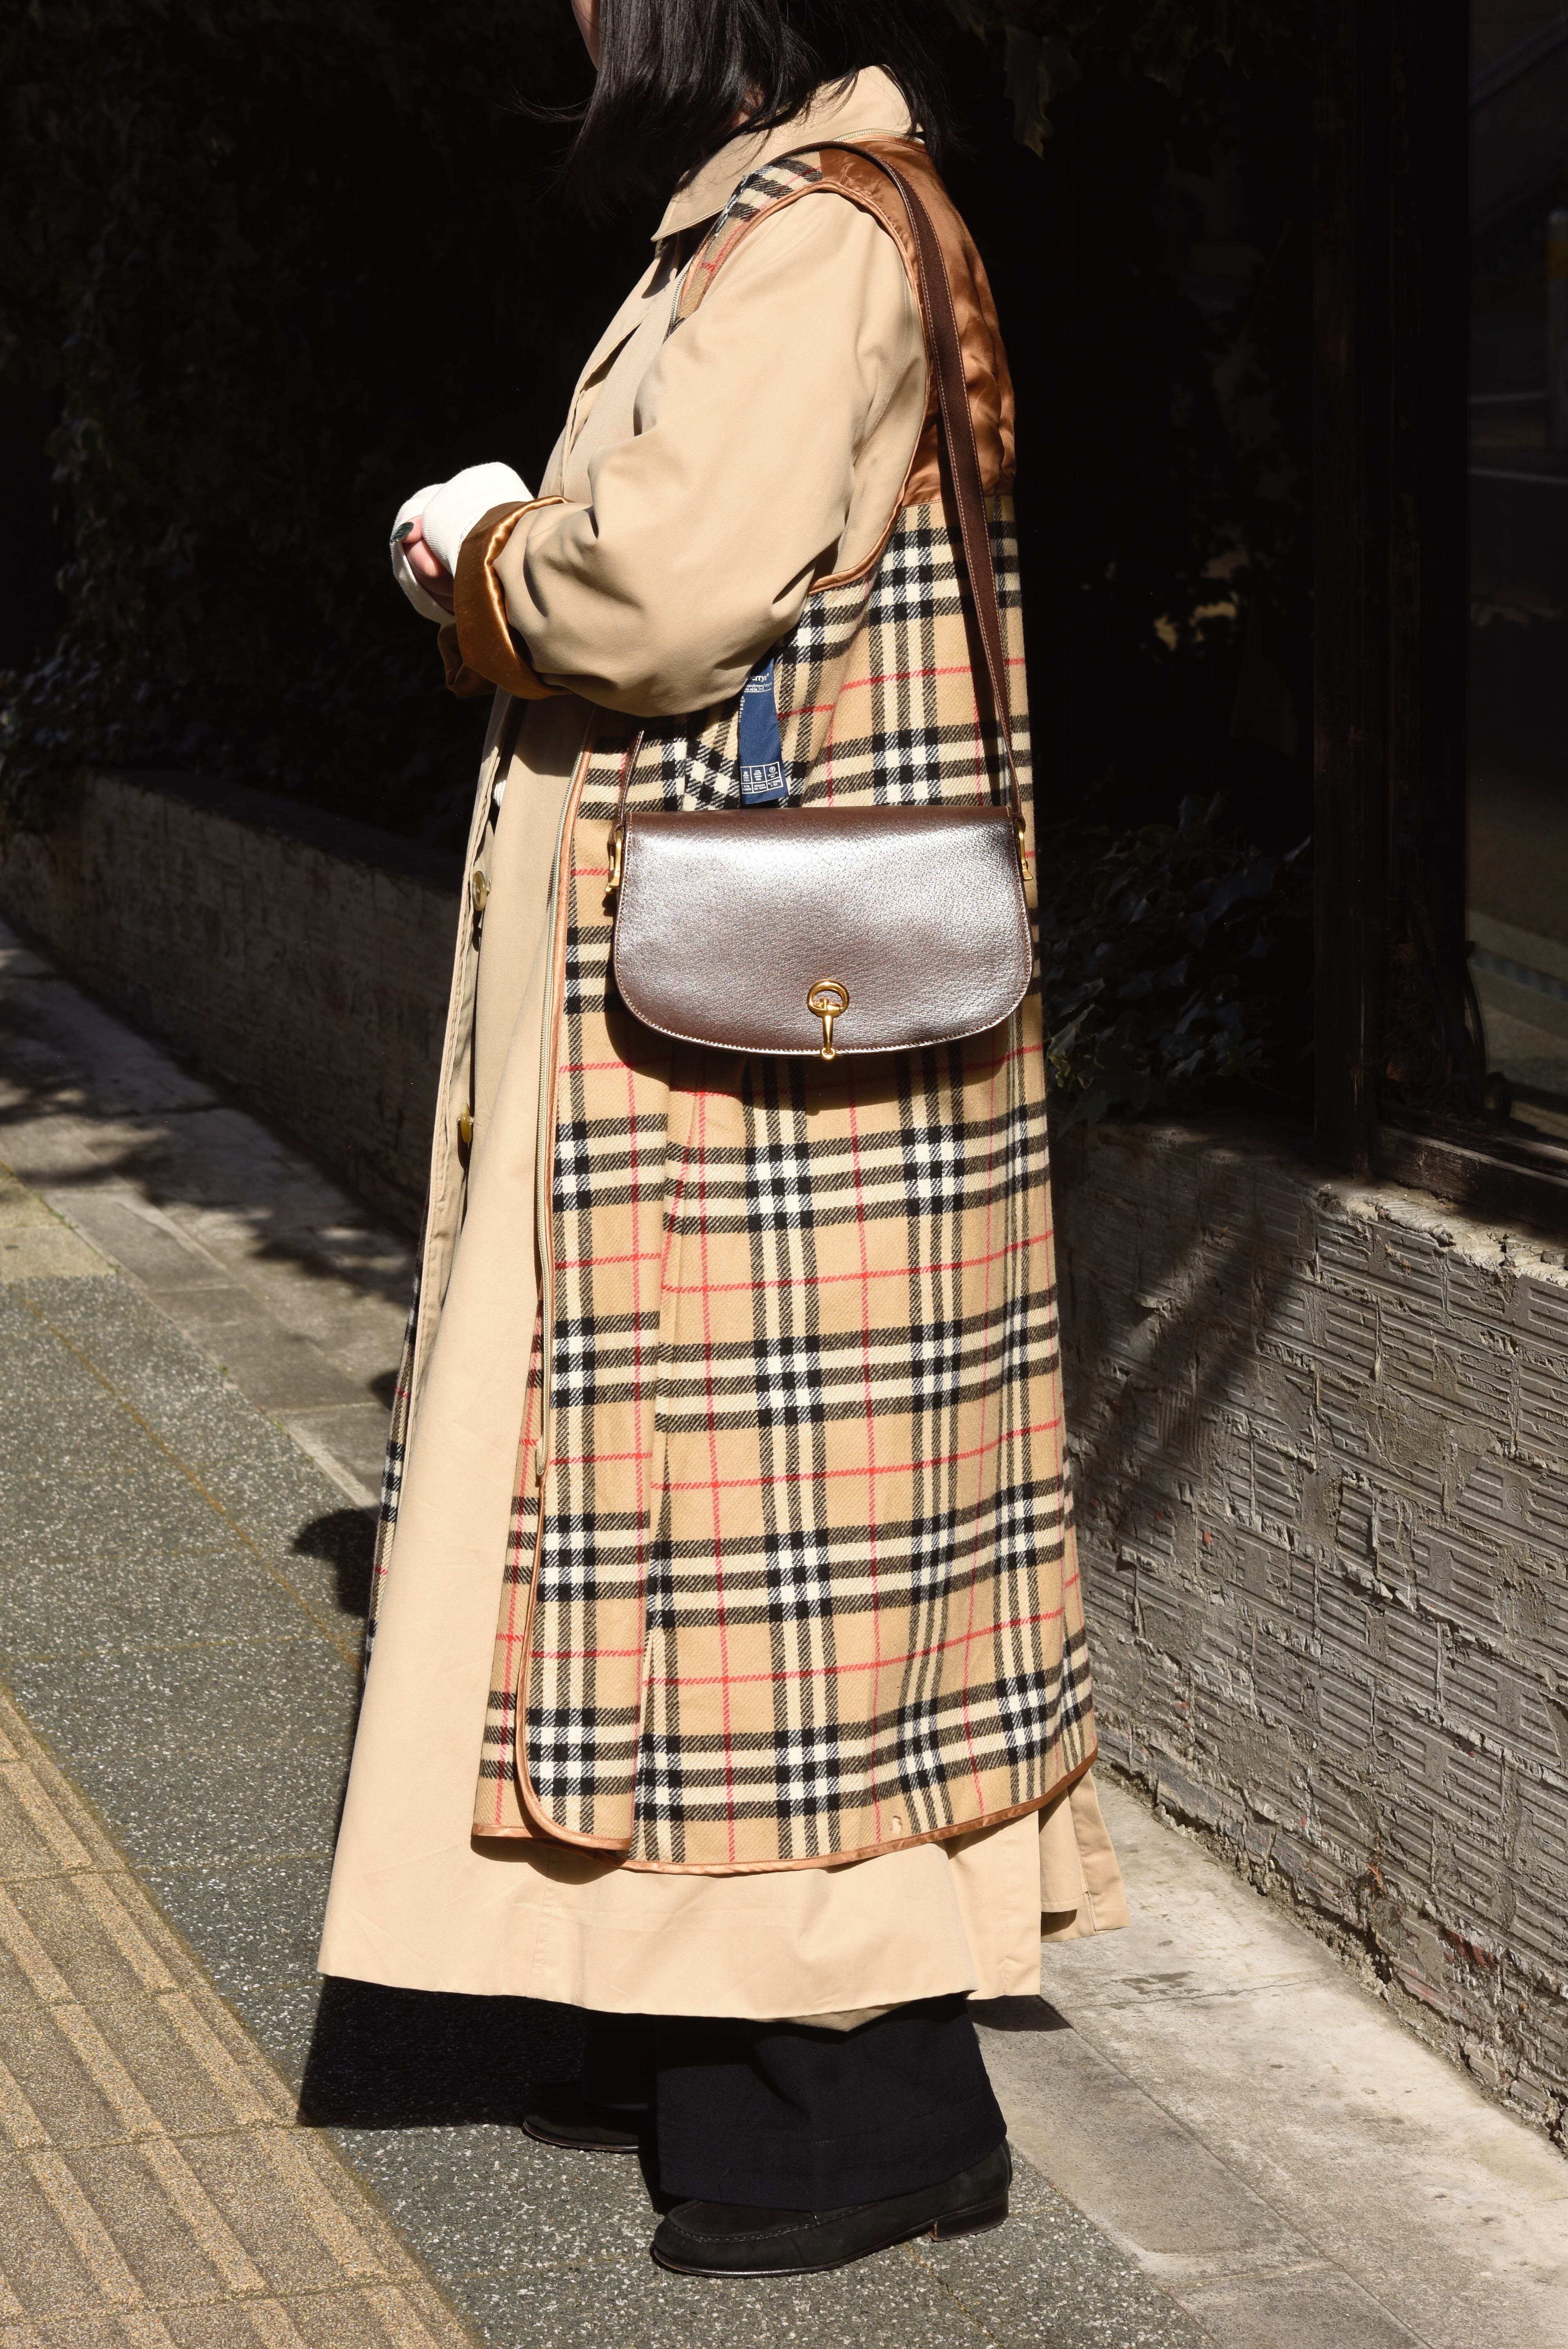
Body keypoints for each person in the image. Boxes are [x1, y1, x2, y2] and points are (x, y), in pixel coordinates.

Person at [320, 0, 1127, 2280]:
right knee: (703, 1537)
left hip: (752, 1050)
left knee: (757, 1544)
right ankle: (690, 2028)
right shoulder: (776, 225)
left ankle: (852, 2115)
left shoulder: (819, 242)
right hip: (731, 1031)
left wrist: (480, 555)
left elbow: (664, 597)